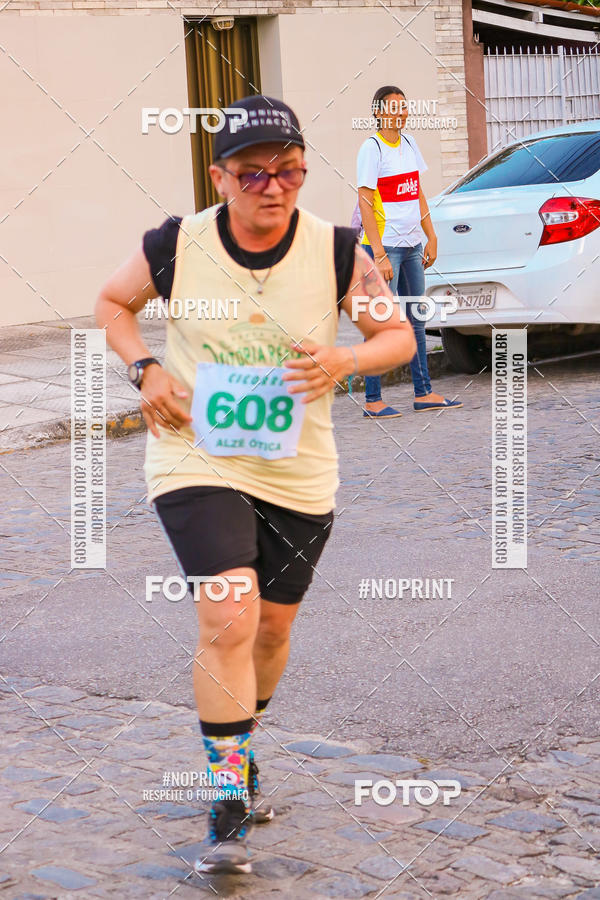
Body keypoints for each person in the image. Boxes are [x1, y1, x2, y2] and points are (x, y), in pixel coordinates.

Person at [96, 95, 416, 876]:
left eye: (290, 170)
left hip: (299, 468)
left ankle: (240, 751)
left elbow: (398, 336)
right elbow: (111, 304)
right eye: (254, 172)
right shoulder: (178, 244)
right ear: (221, 176)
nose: (273, 186)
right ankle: (227, 800)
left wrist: (345, 360)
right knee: (231, 614)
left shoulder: (340, 251)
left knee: (271, 630)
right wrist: (145, 367)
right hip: (196, 458)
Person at [357, 85, 462, 417]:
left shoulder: (410, 143)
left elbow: (417, 194)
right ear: (378, 112)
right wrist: (379, 255)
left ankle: (424, 393)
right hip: (385, 247)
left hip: (412, 243)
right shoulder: (371, 148)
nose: (401, 112)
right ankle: (373, 400)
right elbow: (364, 201)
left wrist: (431, 236)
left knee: (417, 319)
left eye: (404, 106)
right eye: (394, 106)